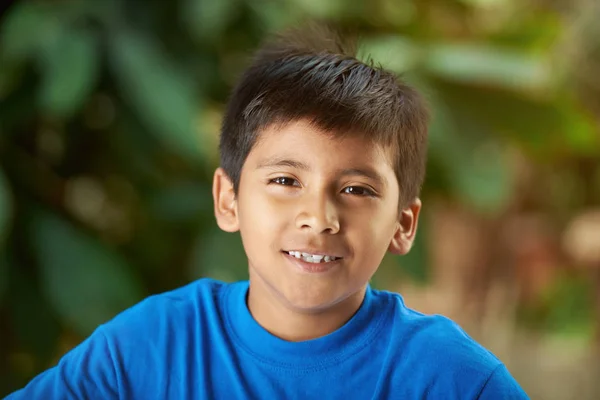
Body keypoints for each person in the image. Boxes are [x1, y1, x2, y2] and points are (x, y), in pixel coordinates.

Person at [6, 26, 529, 399]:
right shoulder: (152, 347)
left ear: (403, 224)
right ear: (228, 199)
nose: (318, 216)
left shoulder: (452, 379)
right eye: (285, 181)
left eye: (357, 189)